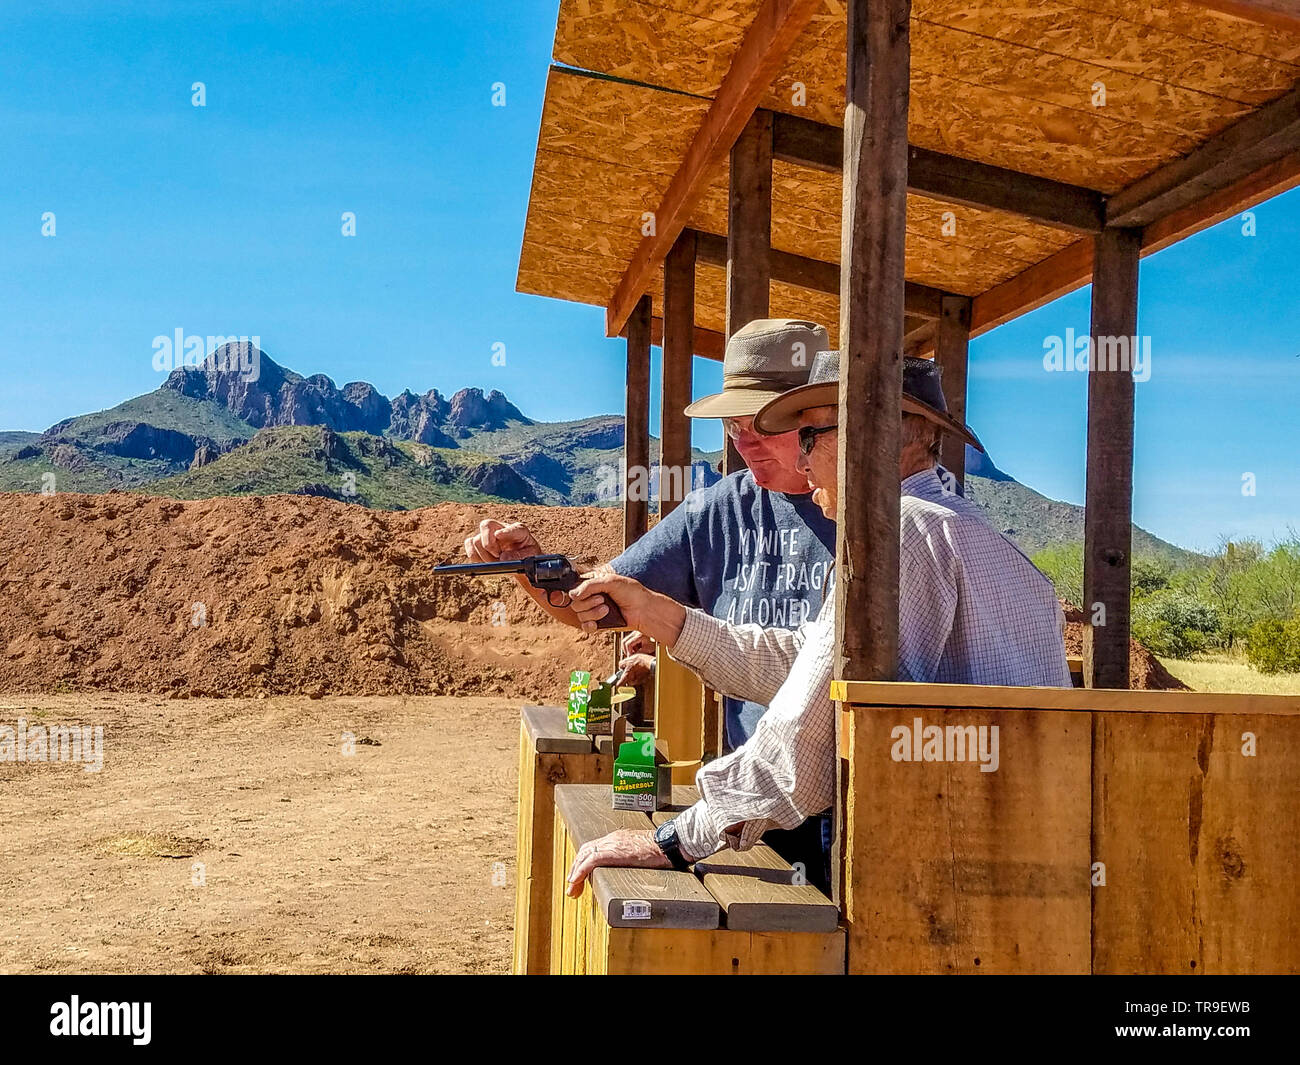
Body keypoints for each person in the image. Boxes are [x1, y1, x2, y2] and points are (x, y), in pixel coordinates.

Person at [563, 351, 1072, 894]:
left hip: (941, 872)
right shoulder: (975, 538)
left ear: (869, 441)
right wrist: (659, 614)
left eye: (809, 438)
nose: (801, 465)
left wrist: (674, 839)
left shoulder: (899, 535)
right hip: (1007, 861)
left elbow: (803, 733)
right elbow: (812, 665)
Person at [462, 319, 837, 888]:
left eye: (762, 424)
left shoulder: (879, 516)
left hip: (851, 805)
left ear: (815, 419)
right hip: (747, 804)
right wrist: (535, 569)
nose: (744, 443)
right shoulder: (717, 510)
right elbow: (599, 603)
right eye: (733, 426)